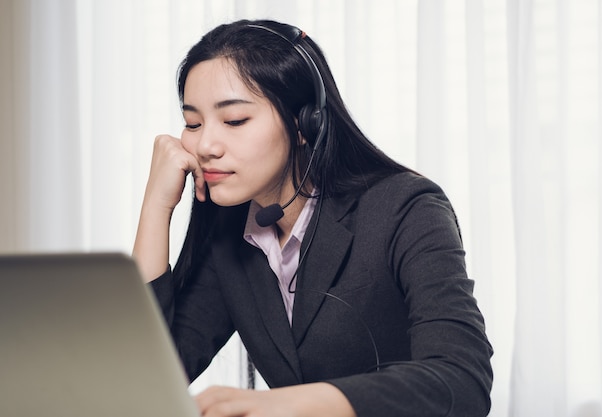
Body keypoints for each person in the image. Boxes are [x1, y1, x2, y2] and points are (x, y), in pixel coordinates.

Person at [133, 18, 493, 417]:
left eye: (234, 120)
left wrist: (294, 402)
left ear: (306, 123)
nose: (205, 145)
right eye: (193, 123)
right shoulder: (230, 232)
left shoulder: (406, 207)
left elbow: (462, 381)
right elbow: (142, 383)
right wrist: (155, 209)